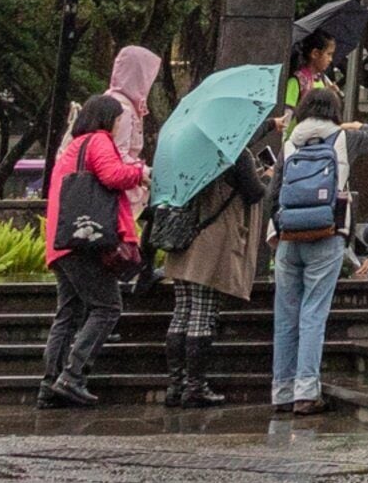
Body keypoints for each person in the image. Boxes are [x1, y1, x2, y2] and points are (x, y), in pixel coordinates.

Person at [38, 92, 147, 407]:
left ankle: (50, 384)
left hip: (62, 242)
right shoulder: (98, 141)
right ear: (106, 119)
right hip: (85, 240)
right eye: (116, 120)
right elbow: (113, 175)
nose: (117, 126)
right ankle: (72, 376)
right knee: (107, 307)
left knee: (68, 313)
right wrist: (141, 173)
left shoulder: (73, 147)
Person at [154, 120, 270, 409]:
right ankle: (195, 387)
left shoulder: (187, 153)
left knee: (182, 310)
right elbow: (255, 193)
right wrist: (265, 174)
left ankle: (176, 385)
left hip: (182, 239)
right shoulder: (234, 152)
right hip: (212, 239)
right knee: (202, 313)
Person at [265, 86, 351, 417]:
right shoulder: (342, 138)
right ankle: (306, 392)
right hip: (326, 233)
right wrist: (353, 127)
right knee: (313, 312)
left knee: (285, 315)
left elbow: (274, 193)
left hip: (289, 237)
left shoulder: (290, 142)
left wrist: (281, 228)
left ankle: (282, 391)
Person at [107, 45, 164, 162]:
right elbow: (118, 157)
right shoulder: (123, 109)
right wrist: (144, 171)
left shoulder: (110, 98)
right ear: (139, 75)